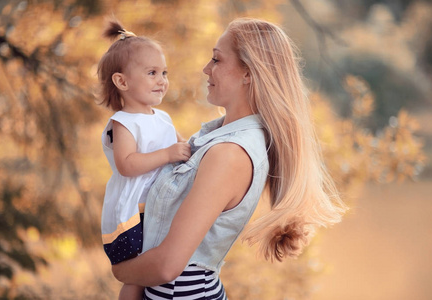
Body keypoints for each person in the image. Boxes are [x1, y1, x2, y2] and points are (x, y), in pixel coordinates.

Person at [112, 18, 347, 299]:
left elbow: (166, 266)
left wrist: (121, 272)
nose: (206, 69)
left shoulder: (229, 154)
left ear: (248, 72)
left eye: (217, 60)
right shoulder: (215, 138)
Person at [97, 20, 191, 299]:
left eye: (164, 72)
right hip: (134, 212)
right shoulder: (123, 123)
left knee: (159, 268)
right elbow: (127, 164)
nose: (162, 80)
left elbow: (182, 146)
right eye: (152, 73)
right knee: (138, 274)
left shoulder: (162, 117)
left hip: (160, 204)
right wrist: (167, 154)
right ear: (122, 81)